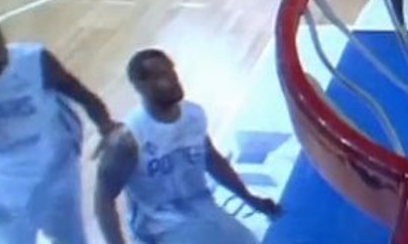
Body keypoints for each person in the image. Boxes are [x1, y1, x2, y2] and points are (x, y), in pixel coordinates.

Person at [0, 11, 120, 244]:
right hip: (2, 165)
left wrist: (106, 125)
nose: (3, 57)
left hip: (53, 153)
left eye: (2, 48)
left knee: (69, 233)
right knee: (9, 238)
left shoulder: (34, 59)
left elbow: (79, 91)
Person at [94, 49, 282, 244]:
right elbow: (103, 200)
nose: (172, 79)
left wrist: (250, 199)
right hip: (159, 229)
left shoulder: (193, 115)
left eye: (171, 71)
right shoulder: (128, 140)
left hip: (201, 210)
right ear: (141, 86)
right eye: (161, 75)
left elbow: (212, 160)